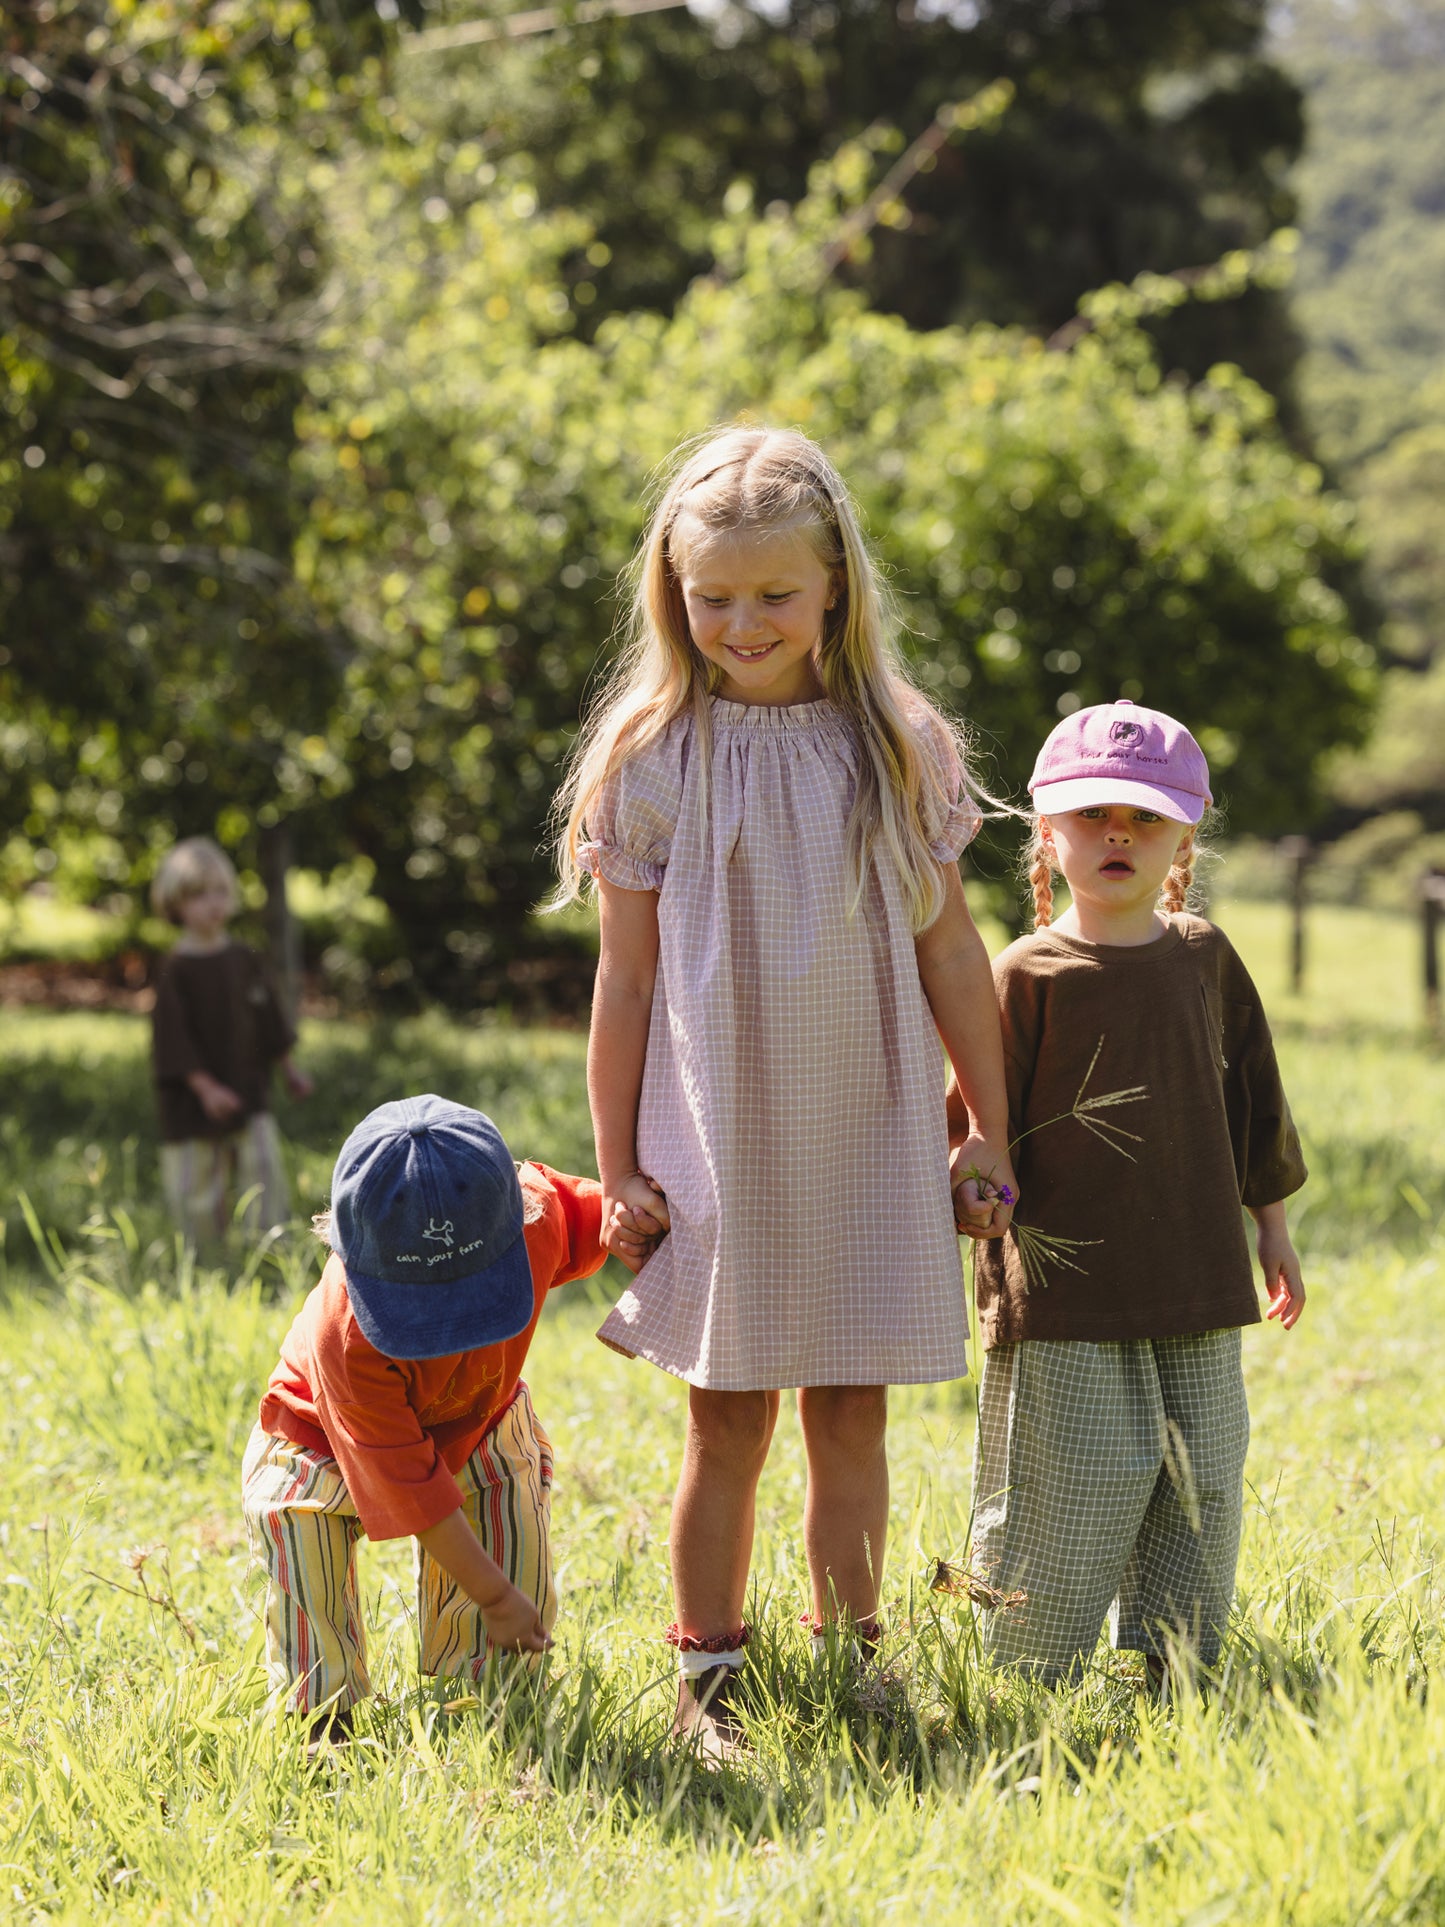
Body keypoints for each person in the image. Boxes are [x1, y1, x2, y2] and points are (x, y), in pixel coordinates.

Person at [552, 426, 1016, 1756]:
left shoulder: (895, 745)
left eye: (773, 594)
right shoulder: (651, 756)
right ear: (671, 594)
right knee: (728, 1415)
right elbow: (627, 983)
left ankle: (855, 1659)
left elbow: (950, 956)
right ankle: (707, 1677)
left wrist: (987, 1119)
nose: (742, 622)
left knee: (851, 1408)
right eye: (712, 596)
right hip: (715, 1136)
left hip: (868, 1124)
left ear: (833, 587)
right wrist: (616, 1160)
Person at [960, 698, 1307, 1688]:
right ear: (1046, 833)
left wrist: (1270, 1226)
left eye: (1145, 817)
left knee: (1198, 1481)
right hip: (1063, 1295)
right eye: (1093, 814)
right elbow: (973, 1129)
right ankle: (1026, 1668)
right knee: (1070, 1485)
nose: (1118, 833)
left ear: (1182, 837)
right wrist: (971, 1190)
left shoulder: (1202, 959)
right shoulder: (1022, 974)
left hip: (1196, 1278)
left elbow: (1252, 1100)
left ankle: (1173, 1663)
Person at [241, 1095, 609, 1742]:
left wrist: (649, 1219)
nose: (449, 1331)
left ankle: (492, 1697)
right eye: (418, 1310)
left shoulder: (539, 1216)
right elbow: (413, 1487)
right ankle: (322, 1714)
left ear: (517, 1224)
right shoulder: (344, 1334)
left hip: (480, 1412)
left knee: (507, 1494)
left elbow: (613, 1215)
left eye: (473, 1297)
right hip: (325, 1431)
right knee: (294, 1515)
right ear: (347, 1247)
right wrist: (493, 1595)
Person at [150, 836, 311, 1246]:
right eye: (199, 895)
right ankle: (203, 1256)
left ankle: (272, 1247)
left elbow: (269, 1019)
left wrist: (288, 1068)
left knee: (263, 1169)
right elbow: (172, 1038)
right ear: (175, 904)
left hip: (247, 1085)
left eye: (221, 891)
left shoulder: (245, 959)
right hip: (193, 1099)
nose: (213, 903)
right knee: (196, 1181)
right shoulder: (176, 970)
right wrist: (204, 1088)